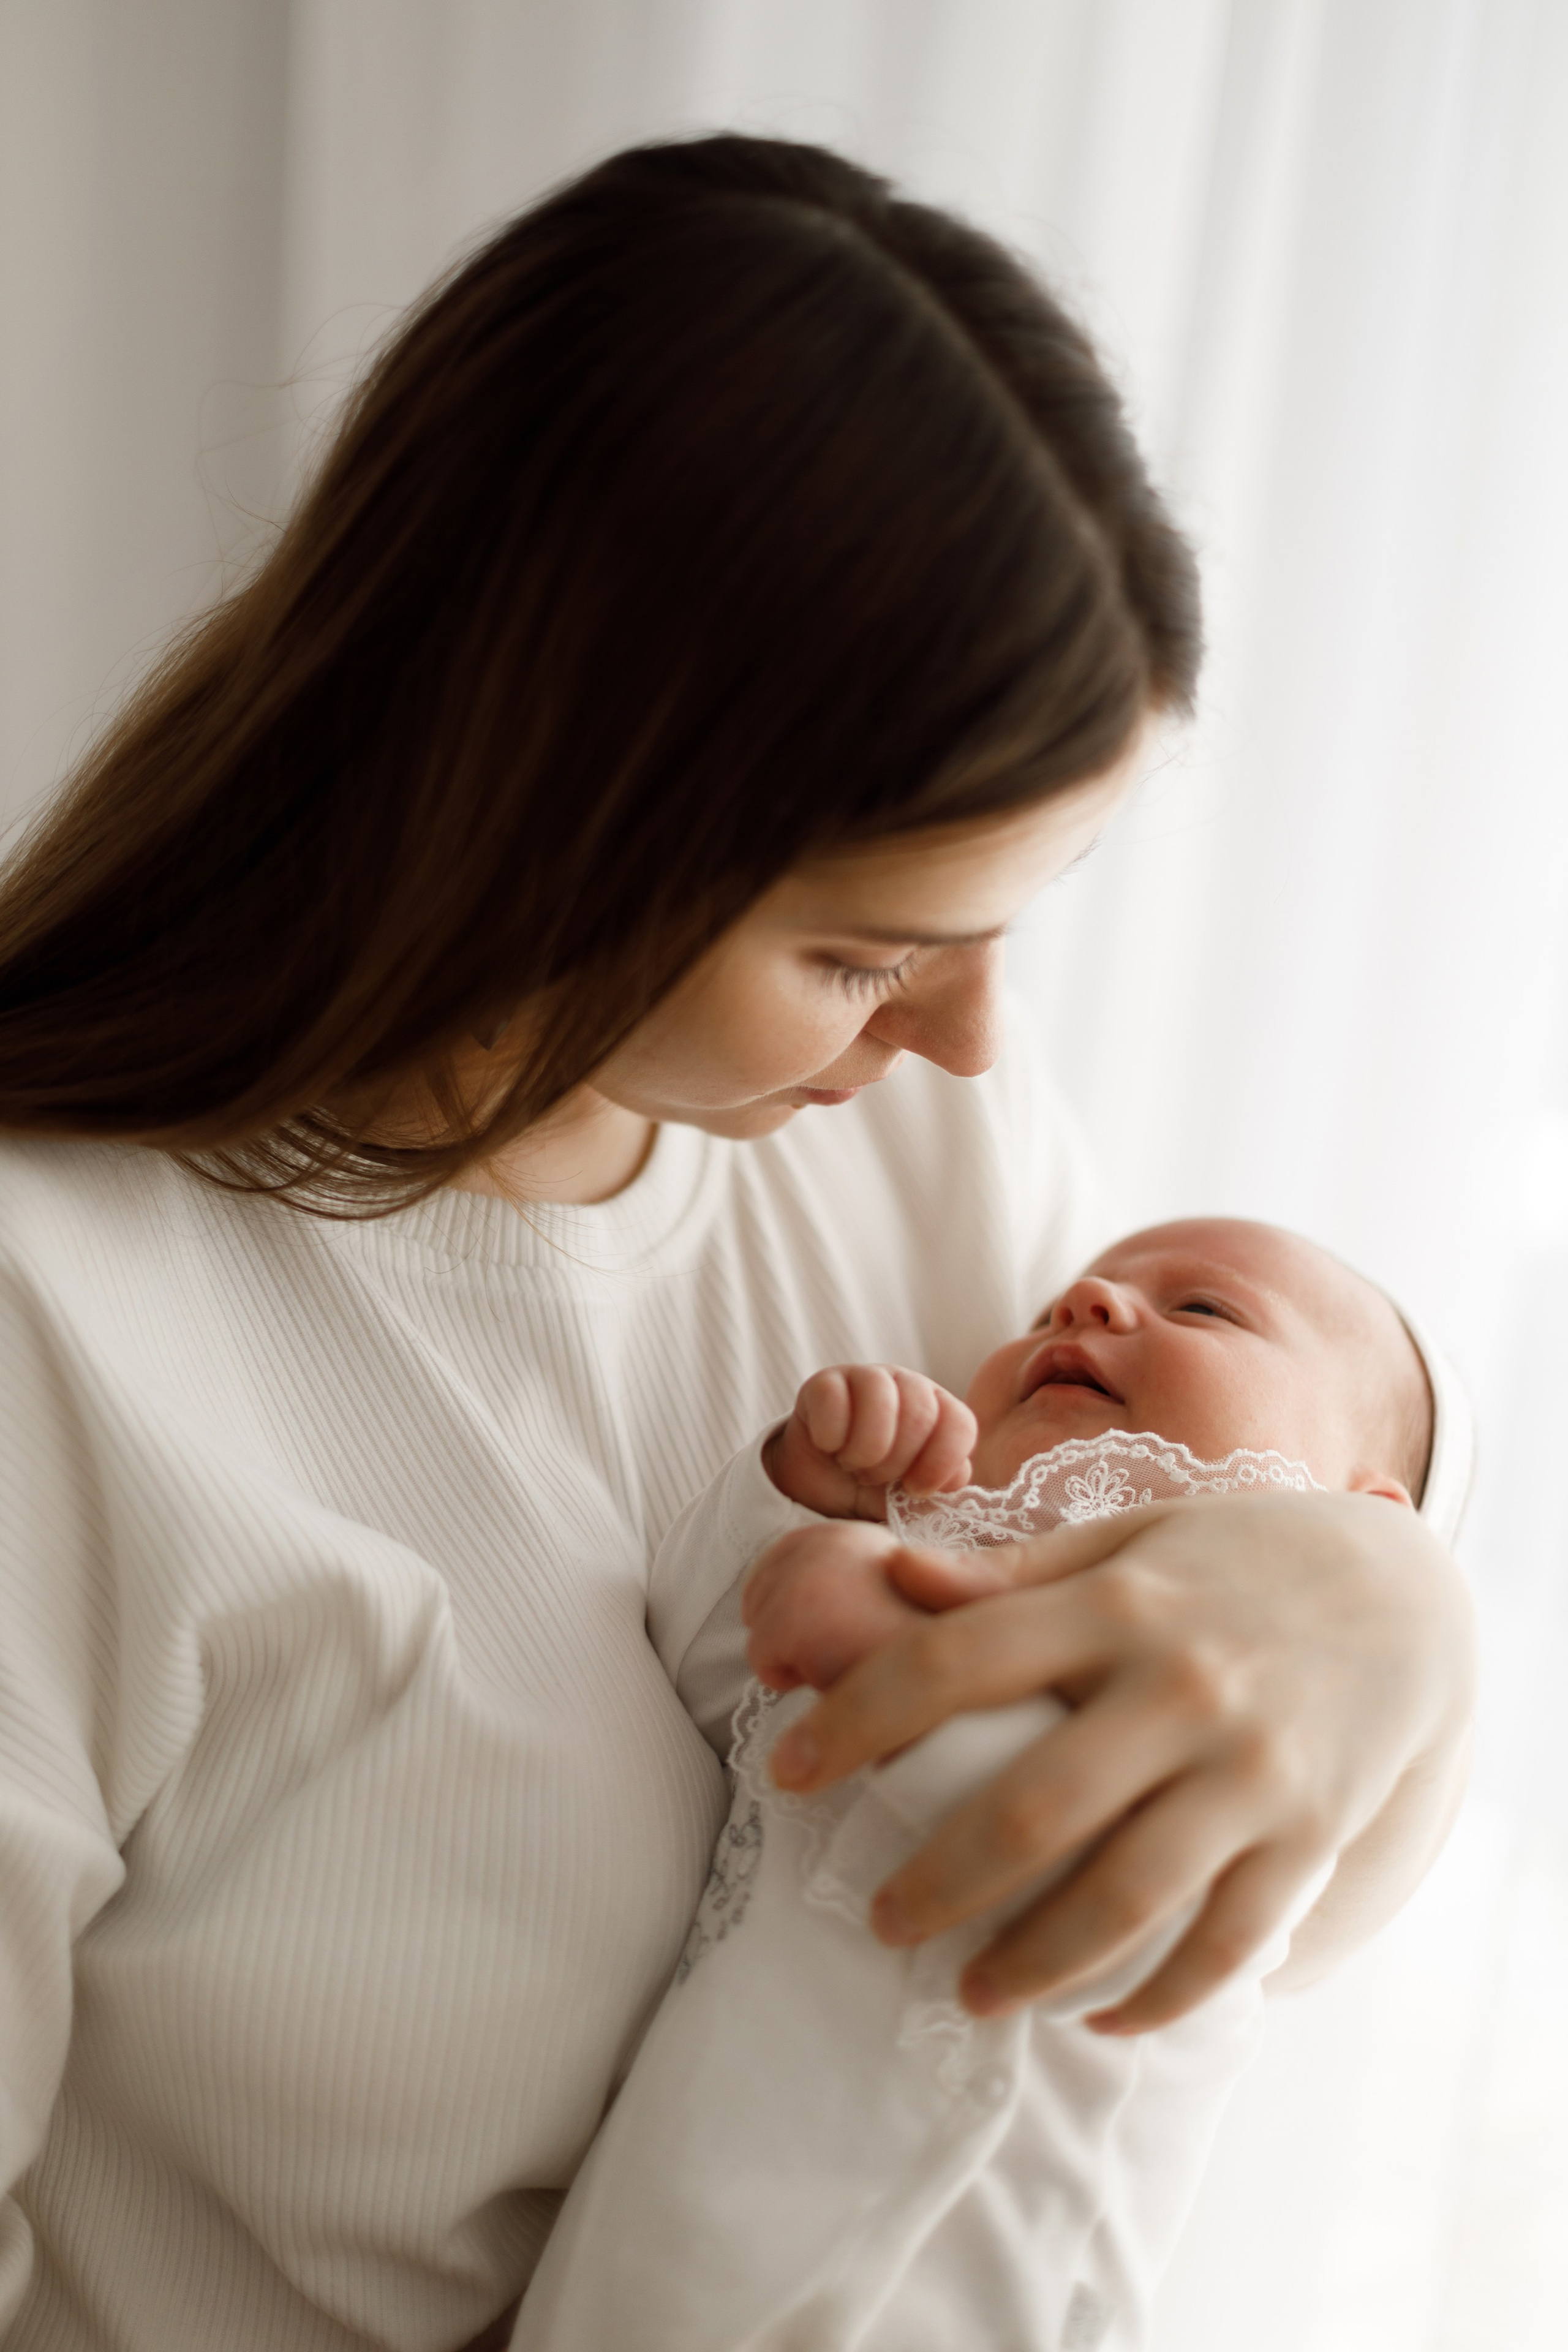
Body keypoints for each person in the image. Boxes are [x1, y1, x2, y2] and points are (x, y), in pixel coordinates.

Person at [0, 134, 1473, 2352]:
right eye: (879, 954)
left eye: (1001, 933)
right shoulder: (60, 1343)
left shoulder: (909, 1164)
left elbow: (1185, 1923)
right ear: (547, 802)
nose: (976, 1038)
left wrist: (1388, 1621)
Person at [510, 1219, 1468, 2348]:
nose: (1089, 1303)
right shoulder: (932, 1543)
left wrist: (859, 1623)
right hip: (662, 2262)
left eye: (1205, 1309)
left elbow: (1092, 1848)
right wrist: (788, 1506)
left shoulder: (1267, 1715)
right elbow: (715, 1694)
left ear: (1359, 1521)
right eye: (1051, 1307)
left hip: (972, 2293)